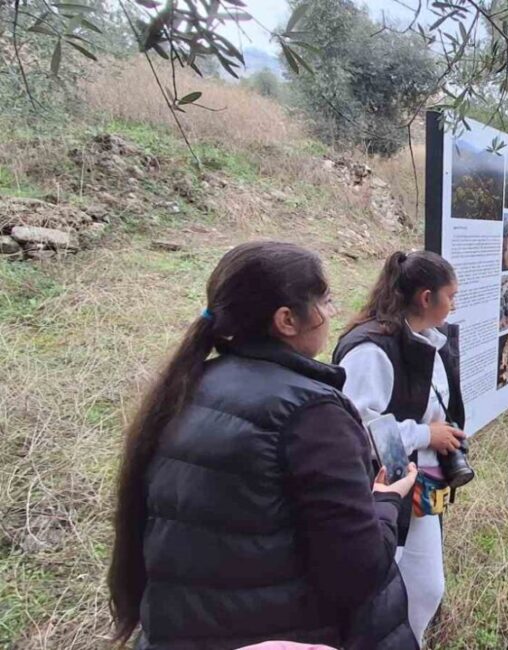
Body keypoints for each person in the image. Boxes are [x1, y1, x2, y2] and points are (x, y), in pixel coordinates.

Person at [107, 242, 418, 650]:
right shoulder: (312, 413)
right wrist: (384, 502)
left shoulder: (189, 384)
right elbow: (355, 575)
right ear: (286, 319)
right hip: (288, 634)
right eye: (324, 299)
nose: (330, 312)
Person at [332, 250, 465, 646]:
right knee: (378, 594)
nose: (453, 304)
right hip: (380, 493)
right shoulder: (371, 350)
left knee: (426, 588)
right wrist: (427, 437)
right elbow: (358, 426)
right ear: (426, 297)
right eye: (450, 295)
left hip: (417, 487)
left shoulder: (425, 339)